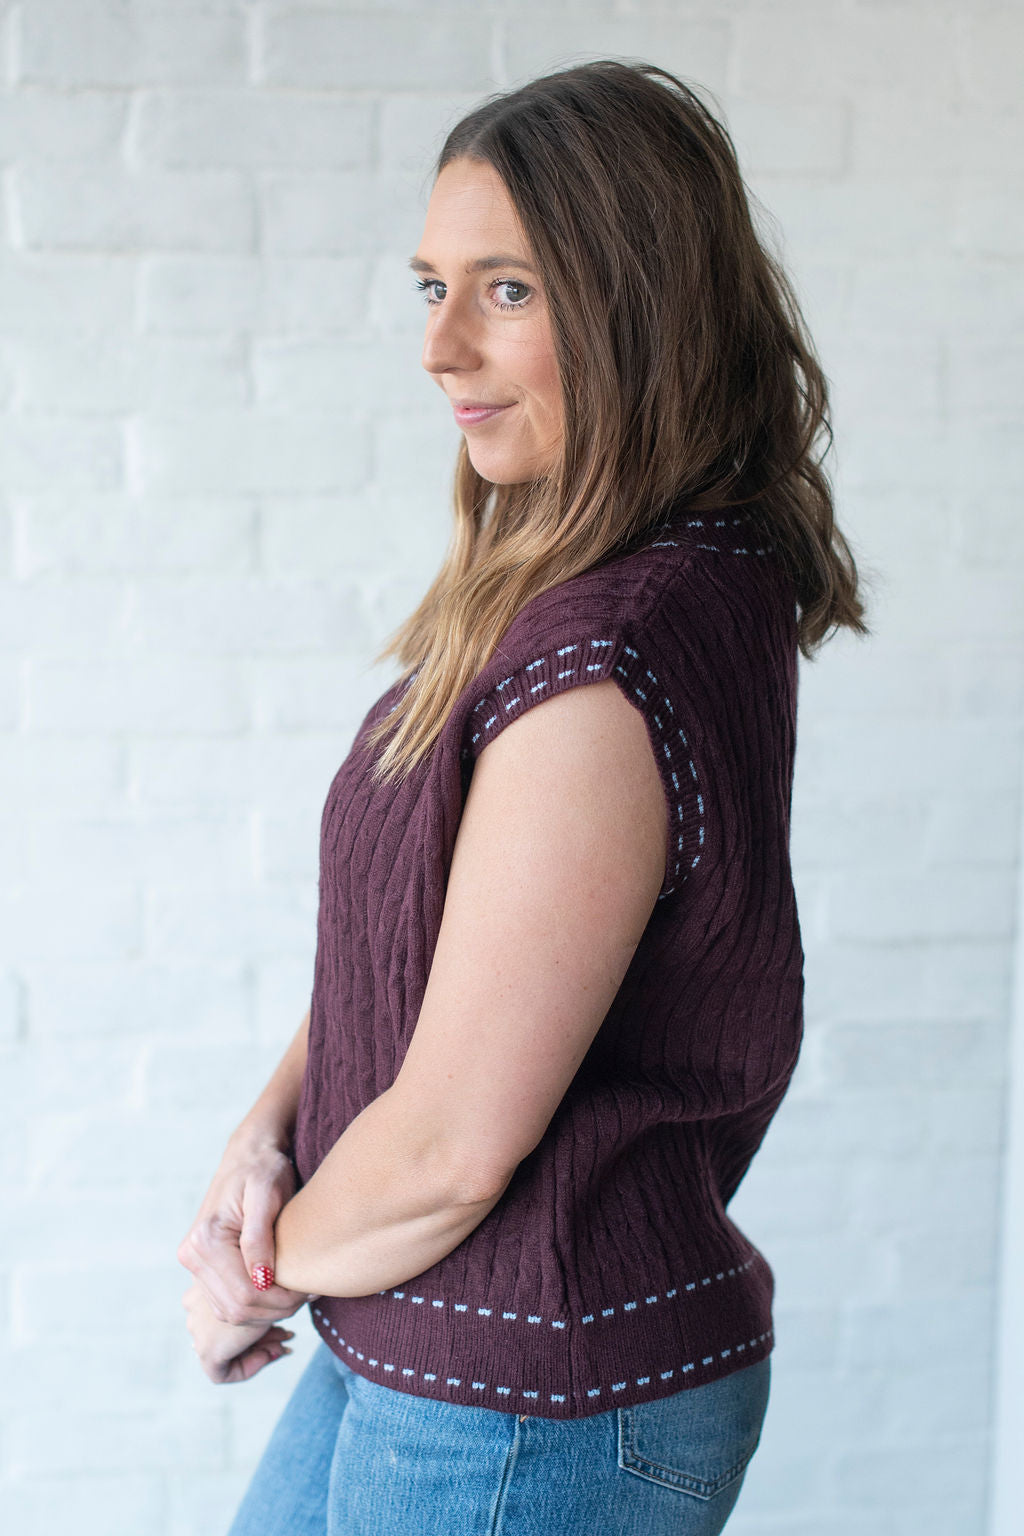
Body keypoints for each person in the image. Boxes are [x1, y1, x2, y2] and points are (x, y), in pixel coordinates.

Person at [178, 58, 868, 1536]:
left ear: (639, 311)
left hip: (525, 1403)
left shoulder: (606, 664)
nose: (439, 346)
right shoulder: (576, 592)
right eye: (432, 285)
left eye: (506, 290)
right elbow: (427, 949)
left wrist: (258, 1271)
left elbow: (448, 1150)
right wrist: (262, 1140)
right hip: (429, 1334)